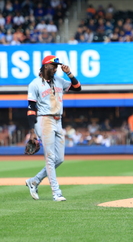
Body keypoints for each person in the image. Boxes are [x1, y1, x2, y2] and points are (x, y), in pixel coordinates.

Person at [25, 55, 81, 201]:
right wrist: (32, 131)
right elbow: (31, 108)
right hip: (44, 120)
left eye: (56, 66)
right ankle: (56, 192)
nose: (55, 68)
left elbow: (77, 87)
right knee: (50, 158)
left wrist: (69, 73)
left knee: (60, 159)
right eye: (53, 66)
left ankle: (34, 181)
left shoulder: (59, 81)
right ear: (45, 66)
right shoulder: (35, 84)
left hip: (58, 120)